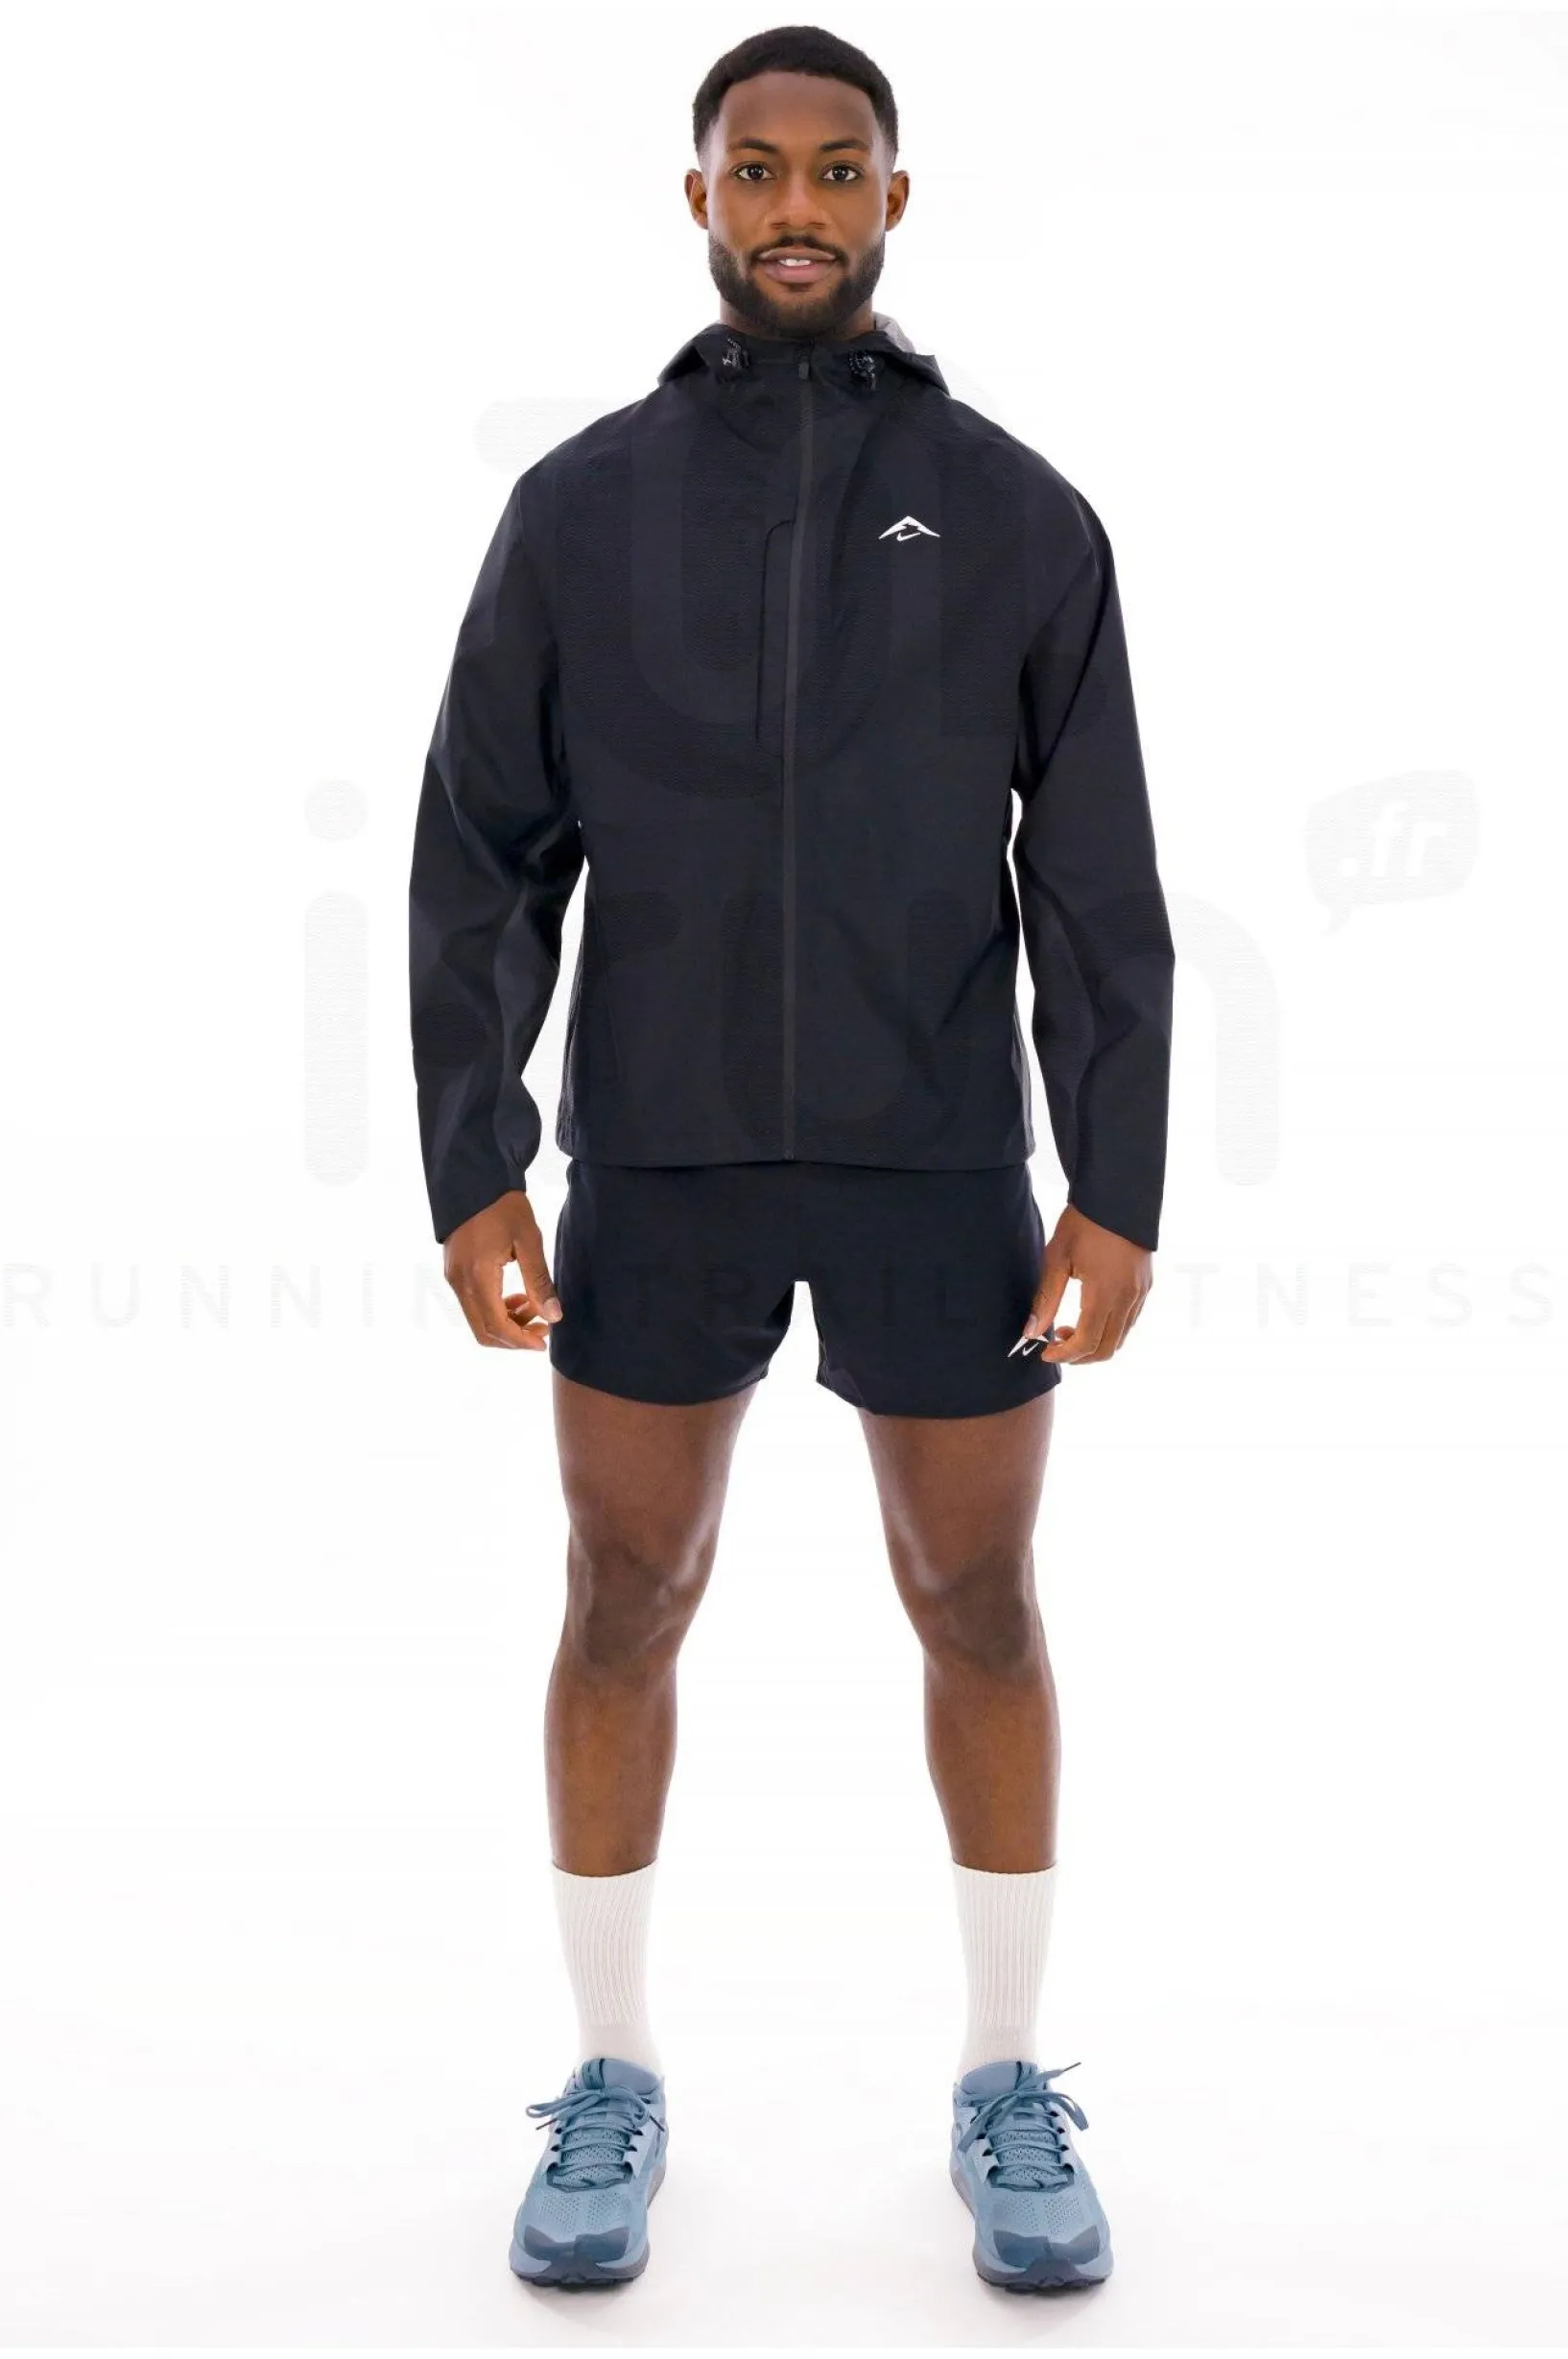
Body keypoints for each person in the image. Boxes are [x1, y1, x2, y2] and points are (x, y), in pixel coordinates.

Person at [408, 23, 1174, 2295]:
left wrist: (1117, 1176)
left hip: (936, 1156)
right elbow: (479, 854)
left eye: (839, 170)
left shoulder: (1020, 513)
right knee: (622, 1594)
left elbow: (1097, 881)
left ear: (895, 199)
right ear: (701, 199)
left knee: (981, 1600)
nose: (798, 208)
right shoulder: (581, 509)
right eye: (759, 171)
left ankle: (1003, 2075)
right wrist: (473, 1155)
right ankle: (612, 2071)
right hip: (660, 1157)